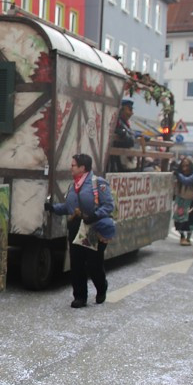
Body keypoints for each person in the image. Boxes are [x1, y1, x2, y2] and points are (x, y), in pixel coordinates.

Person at [45, 153, 116, 308]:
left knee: (93, 263)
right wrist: (53, 208)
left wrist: (94, 215)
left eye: (73, 165)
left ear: (82, 168)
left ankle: (101, 287)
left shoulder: (98, 183)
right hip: (76, 227)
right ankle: (80, 297)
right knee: (76, 263)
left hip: (94, 227)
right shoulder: (73, 185)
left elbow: (109, 206)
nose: (71, 167)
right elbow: (68, 208)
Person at [172, 157, 193, 246]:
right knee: (179, 220)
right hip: (180, 201)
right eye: (183, 166)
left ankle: (188, 237)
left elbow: (188, 182)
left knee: (190, 221)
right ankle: (182, 236)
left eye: (187, 166)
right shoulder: (177, 176)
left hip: (190, 201)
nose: (185, 168)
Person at [109, 99, 137, 172]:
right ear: (121, 110)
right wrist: (126, 135)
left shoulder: (125, 123)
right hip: (114, 160)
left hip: (122, 159)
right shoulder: (116, 122)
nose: (131, 113)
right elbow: (129, 141)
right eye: (129, 110)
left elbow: (130, 136)